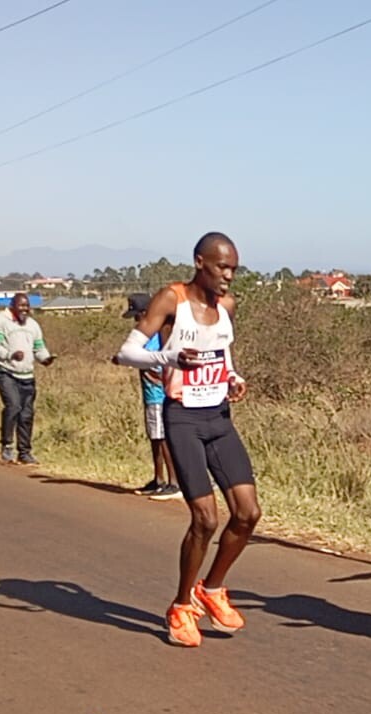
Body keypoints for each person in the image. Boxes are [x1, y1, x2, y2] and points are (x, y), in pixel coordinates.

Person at [112, 232, 261, 648]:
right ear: (200, 262)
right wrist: (170, 358)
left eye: (233, 269)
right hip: (183, 419)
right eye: (222, 267)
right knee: (205, 520)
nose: (228, 276)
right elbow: (125, 353)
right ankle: (180, 606)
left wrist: (234, 378)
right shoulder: (171, 300)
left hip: (219, 417)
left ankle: (211, 589)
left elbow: (223, 354)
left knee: (248, 513)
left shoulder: (226, 306)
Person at [119, 292, 181, 501]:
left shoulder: (155, 336)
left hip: (158, 394)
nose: (136, 320)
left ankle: (173, 482)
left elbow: (156, 364)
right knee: (155, 437)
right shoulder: (148, 336)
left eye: (138, 315)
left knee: (162, 438)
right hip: (151, 394)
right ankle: (158, 479)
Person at [0, 292, 56, 464]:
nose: (25, 309)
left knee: (26, 413)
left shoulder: (32, 324)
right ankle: (7, 445)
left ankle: (24, 452)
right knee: (13, 406)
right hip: (4, 370)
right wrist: (9, 354)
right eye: (21, 306)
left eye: (27, 306)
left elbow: (39, 347)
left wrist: (45, 359)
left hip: (26, 373)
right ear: (12, 306)